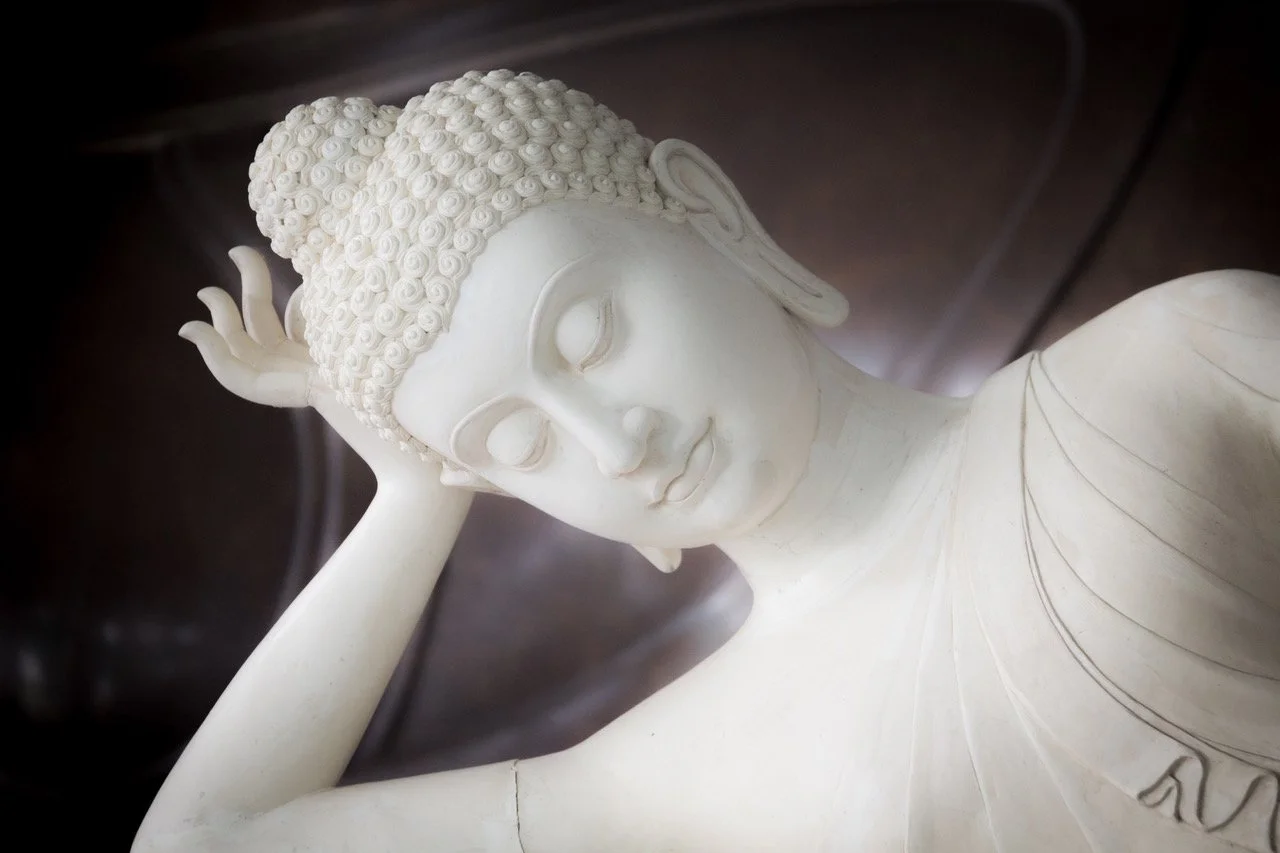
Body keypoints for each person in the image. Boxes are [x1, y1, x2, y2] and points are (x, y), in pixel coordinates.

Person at [133, 70, 1279, 853]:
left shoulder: (1172, 367)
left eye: (589, 334)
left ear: (707, 211)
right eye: (519, 444)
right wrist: (416, 488)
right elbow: (204, 841)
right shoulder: (674, 769)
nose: (613, 441)